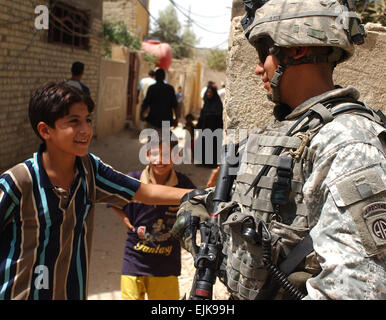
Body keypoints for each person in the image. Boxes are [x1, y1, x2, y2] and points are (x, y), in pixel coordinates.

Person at [172, 0, 386, 300]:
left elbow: (356, 289)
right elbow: (278, 217)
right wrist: (207, 207)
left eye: (263, 54)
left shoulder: (348, 142)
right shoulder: (292, 130)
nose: (259, 68)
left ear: (295, 49)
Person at [0, 82, 193, 300]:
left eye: (88, 120)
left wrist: (197, 196)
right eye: (74, 122)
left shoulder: (90, 170)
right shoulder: (18, 182)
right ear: (45, 130)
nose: (86, 130)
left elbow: (142, 192)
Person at [110, 131, 196, 300]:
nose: (160, 160)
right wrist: (125, 217)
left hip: (166, 264)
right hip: (134, 260)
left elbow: (196, 204)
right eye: (154, 153)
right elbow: (113, 200)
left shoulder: (183, 184)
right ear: (147, 154)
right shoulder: (133, 180)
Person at [196, 84, 223, 167]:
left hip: (213, 127)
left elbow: (219, 116)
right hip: (205, 127)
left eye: (210, 92)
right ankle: (202, 162)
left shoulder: (217, 103)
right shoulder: (206, 103)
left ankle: (211, 163)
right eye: (207, 92)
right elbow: (202, 115)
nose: (208, 94)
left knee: (212, 145)